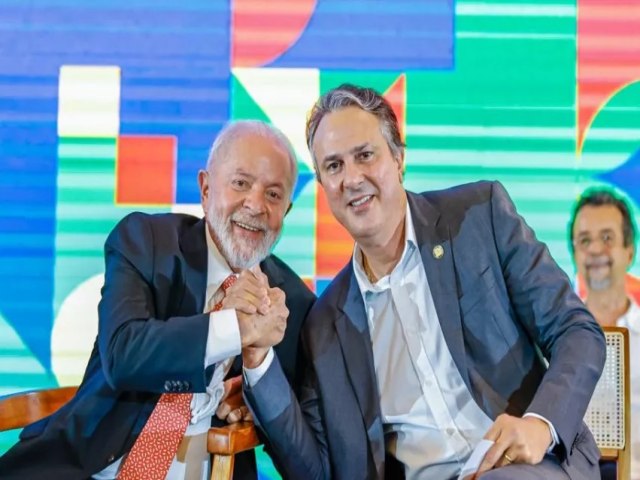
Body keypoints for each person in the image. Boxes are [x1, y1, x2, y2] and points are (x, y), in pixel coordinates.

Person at [241, 84, 606, 480]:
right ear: (323, 187)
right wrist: (257, 361)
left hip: (528, 468)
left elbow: (576, 330)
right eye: (334, 166)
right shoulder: (326, 324)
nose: (352, 178)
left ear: (398, 158)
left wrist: (540, 424)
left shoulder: (479, 218)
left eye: (365, 155)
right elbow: (314, 470)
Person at [0, 120, 315, 480]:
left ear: (286, 211)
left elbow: (302, 460)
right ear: (206, 189)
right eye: (241, 183)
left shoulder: (291, 305)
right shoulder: (147, 243)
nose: (256, 205)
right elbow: (123, 354)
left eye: (273, 194)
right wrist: (232, 329)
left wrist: (258, 377)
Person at [569, 187, 639, 480]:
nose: (596, 250)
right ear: (575, 255)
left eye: (607, 238)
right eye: (585, 240)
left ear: (629, 251)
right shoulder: (555, 340)